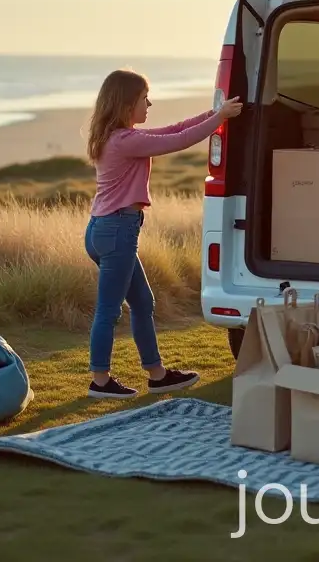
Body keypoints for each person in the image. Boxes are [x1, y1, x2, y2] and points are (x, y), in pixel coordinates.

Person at [83, 69, 243, 399]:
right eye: (145, 98)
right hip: (117, 231)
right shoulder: (126, 141)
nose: (149, 104)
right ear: (127, 103)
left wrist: (215, 113)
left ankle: (157, 375)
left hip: (105, 229)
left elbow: (174, 129)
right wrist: (220, 118)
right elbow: (178, 141)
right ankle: (100, 380)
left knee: (143, 302)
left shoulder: (118, 136)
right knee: (109, 310)